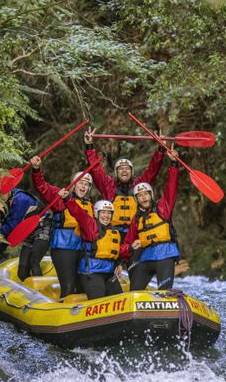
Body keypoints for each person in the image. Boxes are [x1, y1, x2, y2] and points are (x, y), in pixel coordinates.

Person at [31, 155, 93, 300]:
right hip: (63, 248)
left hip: (82, 250)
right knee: (68, 287)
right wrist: (36, 169)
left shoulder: (90, 205)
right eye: (80, 182)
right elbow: (42, 187)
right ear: (74, 184)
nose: (83, 186)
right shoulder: (60, 198)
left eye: (87, 184)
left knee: (82, 288)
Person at [83, 127, 166, 235]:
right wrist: (89, 146)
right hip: (113, 232)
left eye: (127, 168)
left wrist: (161, 149)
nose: (124, 171)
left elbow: (153, 169)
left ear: (131, 172)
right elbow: (95, 170)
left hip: (135, 233)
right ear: (116, 172)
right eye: (121, 168)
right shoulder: (108, 185)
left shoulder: (139, 184)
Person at [120, 148, 180, 291]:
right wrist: (129, 248)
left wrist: (174, 165)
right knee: (134, 291)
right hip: (146, 258)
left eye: (146, 194)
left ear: (151, 195)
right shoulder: (136, 220)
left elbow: (171, 186)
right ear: (136, 200)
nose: (144, 197)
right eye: (140, 196)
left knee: (165, 291)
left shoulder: (163, 208)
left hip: (165, 254)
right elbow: (125, 245)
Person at [61, 196, 123, 300]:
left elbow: (117, 251)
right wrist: (67, 199)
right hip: (91, 273)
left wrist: (120, 264)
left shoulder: (114, 231)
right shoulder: (90, 226)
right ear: (97, 213)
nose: (106, 216)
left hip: (109, 273)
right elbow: (78, 213)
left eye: (109, 213)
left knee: (120, 299)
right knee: (99, 298)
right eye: (103, 212)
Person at [0, 187, 51, 281]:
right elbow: (6, 227)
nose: (0, 197)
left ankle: (39, 290)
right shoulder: (3, 203)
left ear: (9, 190)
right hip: (28, 233)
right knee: (22, 270)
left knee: (33, 262)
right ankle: (28, 291)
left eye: (1, 194)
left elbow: (11, 227)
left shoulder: (21, 199)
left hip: (43, 229)